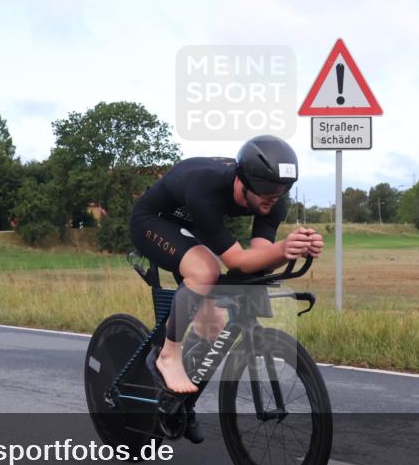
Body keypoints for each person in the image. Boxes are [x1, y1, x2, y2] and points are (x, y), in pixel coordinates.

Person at [129, 135, 323, 405]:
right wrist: (281, 249)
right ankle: (169, 354)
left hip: (192, 225)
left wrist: (292, 250)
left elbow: (257, 260)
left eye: (279, 194)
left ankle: (176, 404)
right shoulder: (205, 187)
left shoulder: (274, 199)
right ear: (243, 183)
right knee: (205, 271)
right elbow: (237, 261)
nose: (272, 201)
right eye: (266, 195)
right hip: (153, 222)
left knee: (213, 321)